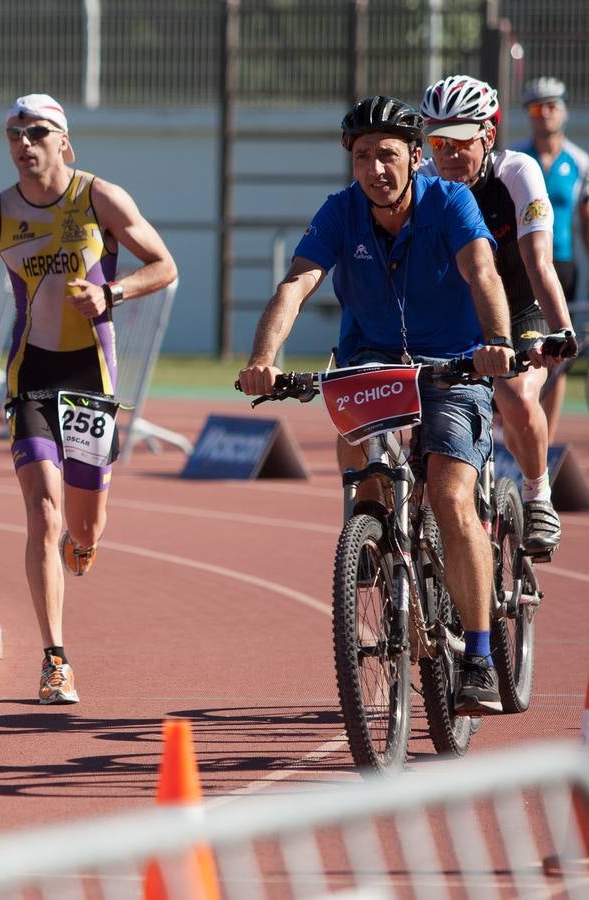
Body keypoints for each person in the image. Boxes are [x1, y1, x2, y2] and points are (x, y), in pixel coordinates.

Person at [237, 96, 515, 715]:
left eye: (387, 154)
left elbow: (483, 272)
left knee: (448, 495)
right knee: (366, 479)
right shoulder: (340, 213)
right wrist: (264, 360)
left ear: (415, 157)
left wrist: (497, 342)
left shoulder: (449, 201)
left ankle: (477, 655)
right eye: (362, 156)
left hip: (455, 364)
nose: (374, 169)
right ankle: (380, 557)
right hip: (373, 365)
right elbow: (297, 284)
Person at [0, 94, 177, 704]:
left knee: (83, 525)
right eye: (13, 134)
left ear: (63, 141)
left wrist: (115, 294)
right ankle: (55, 658)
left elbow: (163, 265)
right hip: (31, 376)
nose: (24, 144)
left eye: (36, 132)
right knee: (43, 513)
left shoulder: (99, 197)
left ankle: (86, 541)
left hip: (91, 380)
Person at [420, 75, 576, 556]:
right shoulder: (424, 180)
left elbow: (539, 263)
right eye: (438, 142)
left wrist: (561, 328)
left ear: (488, 135)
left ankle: (537, 494)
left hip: (519, 309)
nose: (447, 155)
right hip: (456, 319)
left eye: (460, 142)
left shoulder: (518, 173)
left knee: (512, 390)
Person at [512, 76, 589, 440]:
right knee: (520, 350)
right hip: (522, 264)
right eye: (536, 108)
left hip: (562, 265)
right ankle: (514, 429)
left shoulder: (579, 163)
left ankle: (549, 436)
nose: (544, 115)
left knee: (558, 356)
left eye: (551, 106)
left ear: (564, 110)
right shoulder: (515, 160)